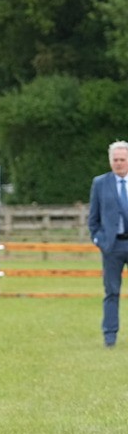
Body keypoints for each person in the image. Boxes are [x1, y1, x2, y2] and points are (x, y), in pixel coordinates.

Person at [88, 140, 128, 348]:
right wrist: (99, 240)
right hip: (113, 246)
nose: (119, 163)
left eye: (122, 159)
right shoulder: (100, 183)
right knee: (111, 291)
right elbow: (93, 219)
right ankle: (110, 336)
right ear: (110, 161)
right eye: (115, 160)